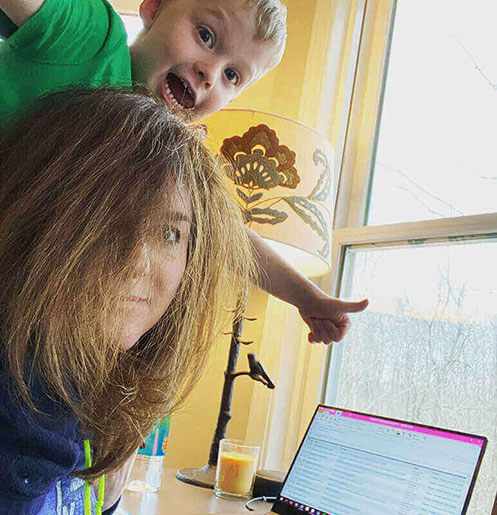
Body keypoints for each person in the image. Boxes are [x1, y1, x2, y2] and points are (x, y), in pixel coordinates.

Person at [0, 0, 368, 346]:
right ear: (155, 6)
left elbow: (226, 235)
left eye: (232, 75)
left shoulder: (167, 155)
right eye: (205, 36)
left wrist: (308, 298)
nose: (211, 75)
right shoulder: (91, 39)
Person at [0, 88, 255, 513]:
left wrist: (110, 499)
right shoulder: (22, 410)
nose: (138, 262)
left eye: (170, 233)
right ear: (40, 218)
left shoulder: (80, 389)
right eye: (111, 222)